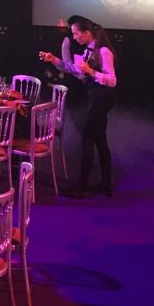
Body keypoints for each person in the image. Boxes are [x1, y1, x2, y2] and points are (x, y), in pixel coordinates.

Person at [39, 17, 118, 197]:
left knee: (88, 138)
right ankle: (106, 184)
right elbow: (76, 70)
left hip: (103, 96)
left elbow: (112, 80)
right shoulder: (89, 50)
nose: (74, 37)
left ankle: (82, 187)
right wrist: (53, 60)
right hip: (96, 95)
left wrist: (91, 72)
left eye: (76, 34)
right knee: (99, 139)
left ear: (87, 33)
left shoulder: (103, 51)